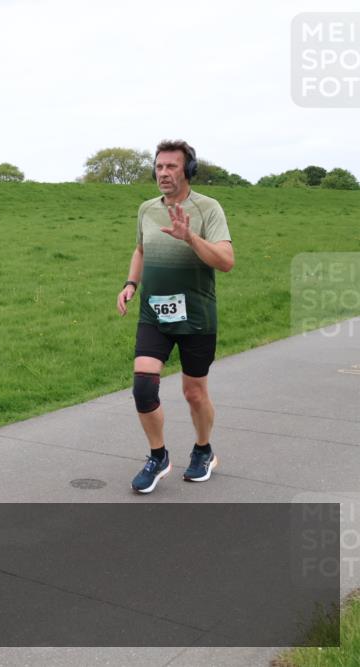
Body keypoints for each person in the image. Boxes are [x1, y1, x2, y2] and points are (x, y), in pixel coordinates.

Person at [116, 140, 235, 494]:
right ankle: (158, 456)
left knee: (194, 392)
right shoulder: (146, 209)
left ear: (188, 170)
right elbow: (140, 249)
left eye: (171, 166)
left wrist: (191, 238)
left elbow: (226, 261)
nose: (164, 173)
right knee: (143, 386)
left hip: (197, 315)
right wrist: (130, 283)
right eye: (159, 166)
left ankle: (204, 450)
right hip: (154, 312)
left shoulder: (208, 208)